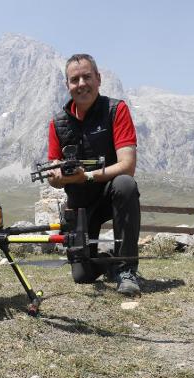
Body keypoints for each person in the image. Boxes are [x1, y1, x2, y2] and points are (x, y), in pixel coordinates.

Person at [46, 54, 142, 296]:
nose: (81, 84)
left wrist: (85, 176)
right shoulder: (57, 123)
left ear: (98, 79)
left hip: (112, 196)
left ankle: (126, 269)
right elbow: (52, 174)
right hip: (80, 205)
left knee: (125, 184)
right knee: (82, 276)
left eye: (87, 77)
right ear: (67, 85)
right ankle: (109, 260)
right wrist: (57, 177)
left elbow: (127, 165)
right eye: (74, 79)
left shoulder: (116, 110)